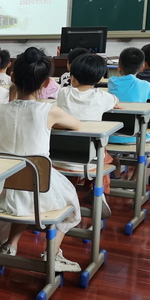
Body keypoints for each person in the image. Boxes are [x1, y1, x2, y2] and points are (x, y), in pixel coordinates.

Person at [0, 47, 82, 272]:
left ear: (13, 77)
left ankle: (11, 245)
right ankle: (52, 254)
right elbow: (77, 124)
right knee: (72, 204)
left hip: (3, 190)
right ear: (46, 83)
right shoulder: (48, 111)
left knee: (23, 186)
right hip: (40, 190)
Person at [55, 52, 118, 208]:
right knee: (104, 157)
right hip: (90, 162)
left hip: (58, 158)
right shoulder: (102, 97)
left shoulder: (63, 93)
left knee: (77, 150)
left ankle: (66, 193)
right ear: (100, 79)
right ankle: (98, 193)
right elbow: (115, 100)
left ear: (72, 77)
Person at [108, 47, 150, 144]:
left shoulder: (112, 82)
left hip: (110, 136)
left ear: (118, 67)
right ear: (142, 67)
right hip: (136, 138)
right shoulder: (145, 86)